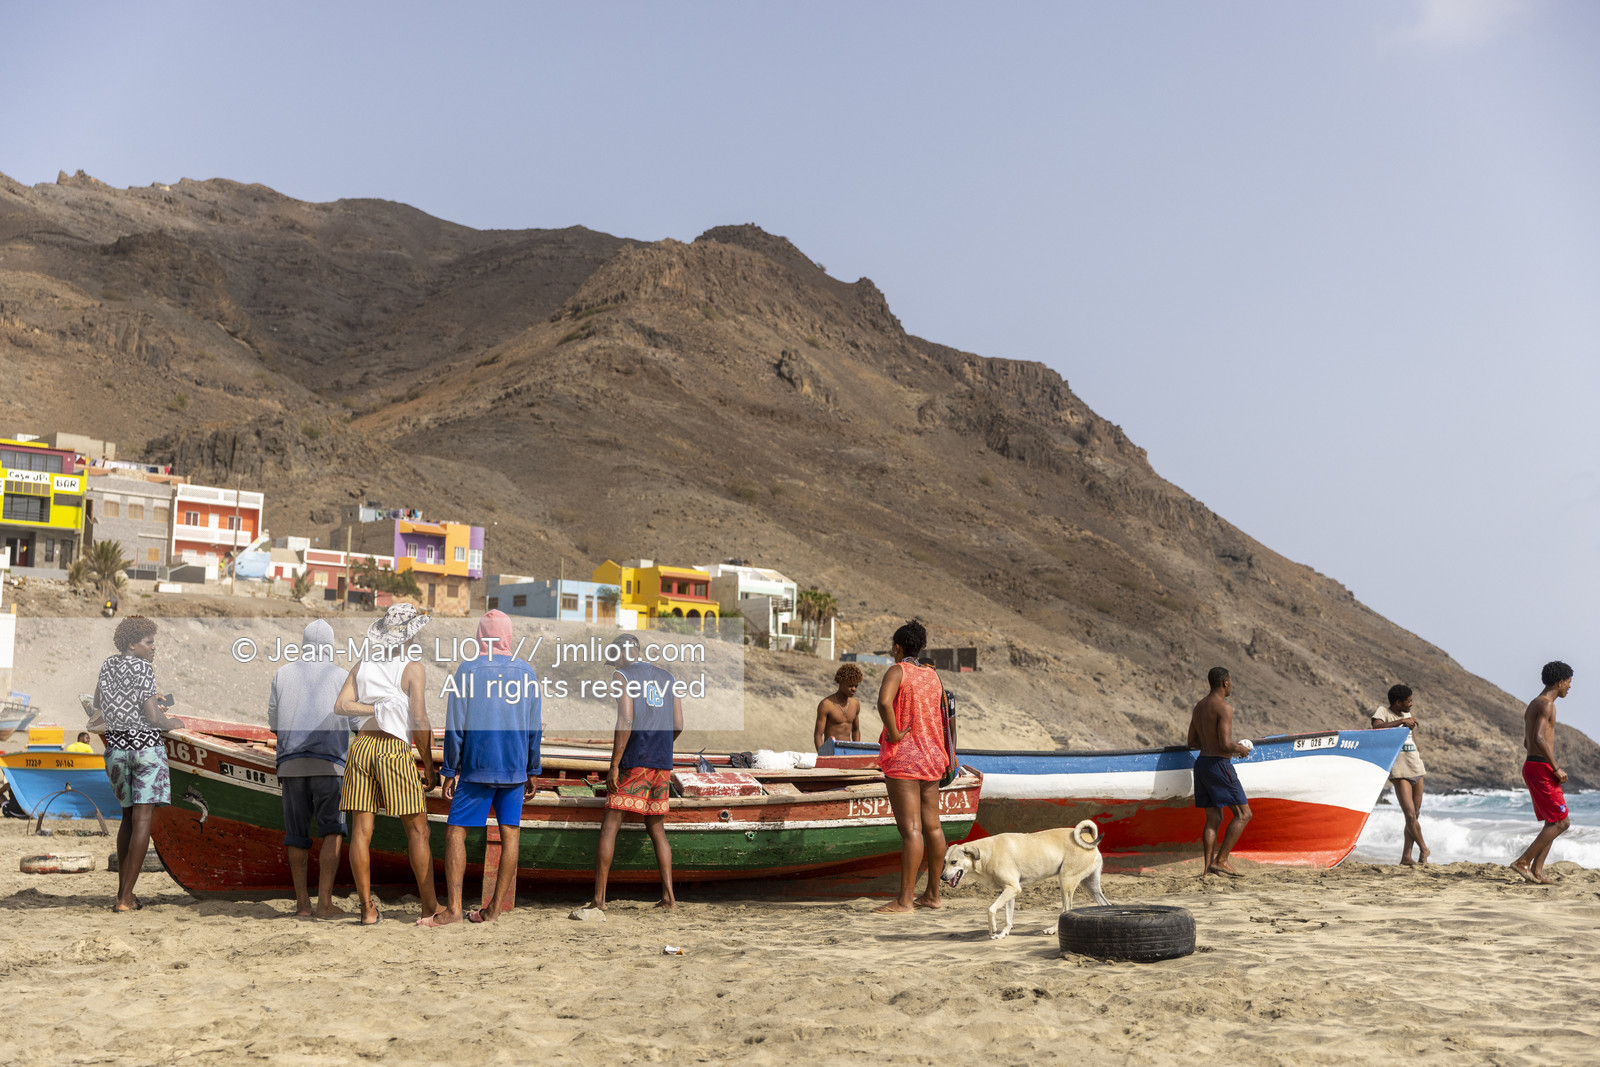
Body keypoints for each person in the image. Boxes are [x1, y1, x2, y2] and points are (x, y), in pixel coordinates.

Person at [423, 610, 541, 927]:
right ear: (508, 636)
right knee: (510, 835)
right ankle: (493, 910)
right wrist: (533, 769)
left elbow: (456, 726)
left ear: (481, 637)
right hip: (514, 770)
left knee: (455, 833)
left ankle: (454, 909)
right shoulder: (527, 672)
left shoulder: (468, 670)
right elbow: (534, 728)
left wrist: (450, 770)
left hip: (477, 768)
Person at [335, 603, 440, 925]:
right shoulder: (412, 668)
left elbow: (341, 705)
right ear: (410, 636)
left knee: (361, 832)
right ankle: (429, 907)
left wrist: (372, 709)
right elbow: (419, 720)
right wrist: (428, 765)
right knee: (418, 830)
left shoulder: (362, 665)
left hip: (361, 748)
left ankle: (367, 909)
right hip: (393, 749)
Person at [579, 633, 683, 916]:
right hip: (662, 763)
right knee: (657, 828)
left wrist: (614, 764)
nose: (613, 664)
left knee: (610, 825)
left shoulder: (622, 676)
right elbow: (678, 723)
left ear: (622, 654)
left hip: (636, 761)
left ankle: (599, 899)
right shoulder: (668, 677)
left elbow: (625, 719)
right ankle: (669, 897)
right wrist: (661, 746)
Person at [93, 616, 181, 912]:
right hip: (144, 751)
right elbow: (154, 718)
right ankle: (125, 898)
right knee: (143, 820)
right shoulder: (144, 667)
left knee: (128, 818)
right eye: (149, 642)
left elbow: (98, 703)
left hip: (117, 752)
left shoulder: (108, 664)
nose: (153, 647)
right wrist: (173, 722)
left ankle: (123, 893)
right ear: (133, 644)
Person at [268, 619, 354, 918]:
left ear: (303, 645)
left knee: (296, 835)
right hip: (331, 766)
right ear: (330, 646)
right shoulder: (342, 676)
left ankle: (302, 904)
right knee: (333, 830)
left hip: (291, 766)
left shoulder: (282, 674)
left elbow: (274, 723)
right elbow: (357, 722)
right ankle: (325, 904)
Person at [872, 620, 952, 914]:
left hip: (905, 758)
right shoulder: (933, 676)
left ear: (897, 647)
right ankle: (932, 895)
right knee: (933, 827)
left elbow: (884, 702)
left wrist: (894, 733)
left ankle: (905, 900)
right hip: (933, 757)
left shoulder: (898, 670)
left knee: (911, 830)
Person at [1510, 661, 1574, 885]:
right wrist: (1555, 767)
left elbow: (1526, 742)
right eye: (1568, 682)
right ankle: (1522, 862)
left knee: (1552, 821)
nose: (1569, 687)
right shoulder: (1547, 704)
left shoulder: (1535, 703)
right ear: (1560, 682)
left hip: (1534, 765)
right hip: (1541, 768)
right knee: (1562, 823)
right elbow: (1537, 738)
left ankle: (1537, 871)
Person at [1187, 666, 1252, 877]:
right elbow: (1225, 744)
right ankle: (1222, 860)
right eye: (1231, 681)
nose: (1231, 685)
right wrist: (1240, 749)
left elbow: (1191, 741)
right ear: (1225, 682)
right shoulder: (1224, 708)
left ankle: (1208, 870)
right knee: (1243, 814)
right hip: (1219, 765)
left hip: (1202, 765)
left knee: (1213, 819)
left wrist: (1209, 745)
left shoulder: (1199, 707)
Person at [1370, 683, 1429, 865]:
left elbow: (1411, 739)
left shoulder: (1407, 716)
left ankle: (1406, 857)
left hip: (1416, 766)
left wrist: (1406, 722)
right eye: (1408, 701)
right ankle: (1424, 848)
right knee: (1410, 815)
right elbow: (1377, 728)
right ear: (1397, 702)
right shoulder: (1383, 712)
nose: (1411, 704)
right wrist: (1402, 722)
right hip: (1400, 770)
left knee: (1415, 814)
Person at [814, 663, 863, 750]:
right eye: (850, 685)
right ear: (841, 682)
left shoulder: (855, 704)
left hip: (849, 753)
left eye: (856, 686)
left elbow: (856, 730)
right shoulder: (826, 704)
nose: (854, 689)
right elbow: (818, 735)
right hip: (831, 752)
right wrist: (823, 755)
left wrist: (857, 751)